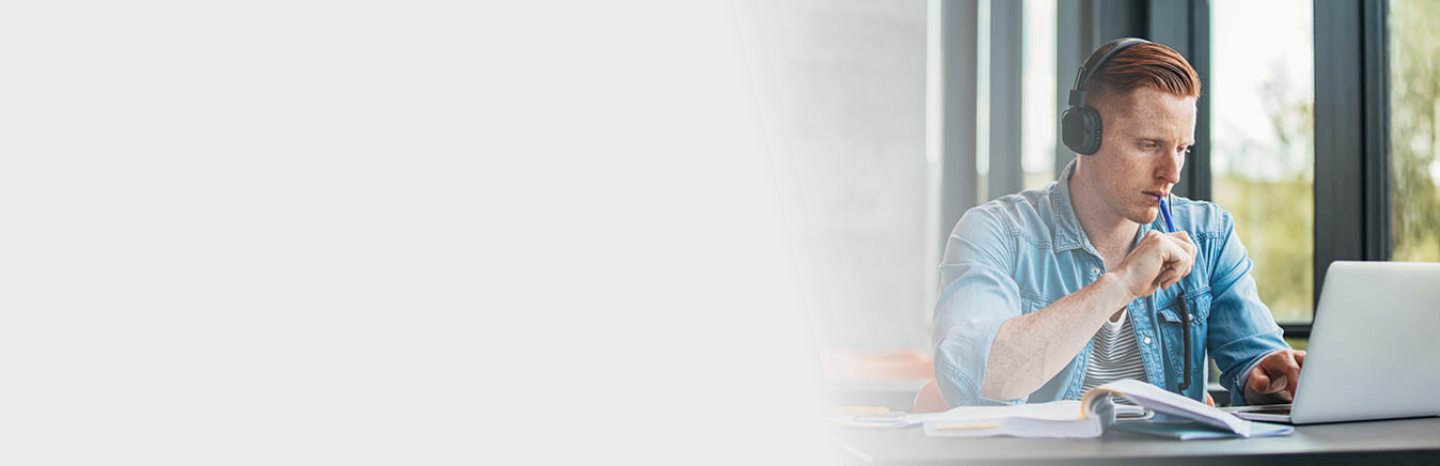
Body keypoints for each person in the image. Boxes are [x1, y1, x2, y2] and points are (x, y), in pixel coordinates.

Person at [931, 38, 1305, 407]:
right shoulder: (996, 233)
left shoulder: (1209, 234)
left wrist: (1267, 375)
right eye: (1148, 145)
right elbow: (977, 378)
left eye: (1181, 149)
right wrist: (1122, 283)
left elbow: (1255, 358)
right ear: (1084, 137)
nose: (1172, 173)